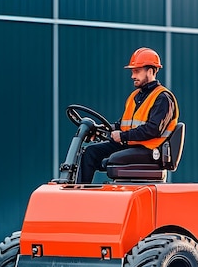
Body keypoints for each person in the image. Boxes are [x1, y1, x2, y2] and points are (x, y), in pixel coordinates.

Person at [76, 47, 179, 184]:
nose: (133, 76)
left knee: (113, 157)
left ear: (150, 71)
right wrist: (101, 129)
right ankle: (80, 192)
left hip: (149, 150)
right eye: (132, 72)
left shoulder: (163, 98)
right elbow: (123, 124)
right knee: (90, 153)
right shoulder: (135, 96)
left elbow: (153, 129)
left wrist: (123, 136)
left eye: (137, 71)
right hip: (131, 145)